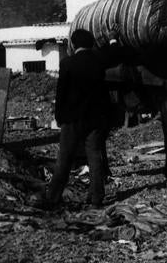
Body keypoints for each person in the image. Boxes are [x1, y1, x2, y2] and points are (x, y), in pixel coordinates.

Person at [36, 29, 116, 209]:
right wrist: (112, 40)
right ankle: (97, 198)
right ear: (91, 44)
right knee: (94, 156)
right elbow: (114, 54)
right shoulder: (98, 61)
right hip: (96, 118)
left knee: (64, 158)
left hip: (72, 118)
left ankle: (53, 197)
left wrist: (59, 116)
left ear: (73, 44)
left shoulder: (67, 63)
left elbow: (61, 92)